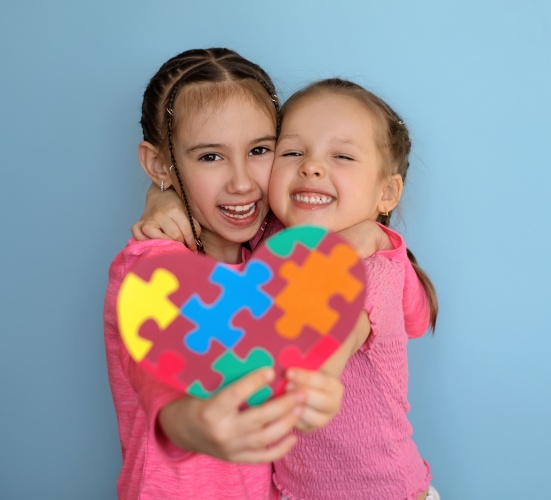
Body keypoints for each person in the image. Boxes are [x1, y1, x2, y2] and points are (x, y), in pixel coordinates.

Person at [135, 77, 440, 500]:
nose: (311, 166)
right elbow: (194, 185)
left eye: (342, 156)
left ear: (386, 192)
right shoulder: (271, 238)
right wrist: (162, 199)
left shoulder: (369, 272)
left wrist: (313, 380)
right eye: (293, 151)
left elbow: (337, 333)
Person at [104, 48, 347, 500]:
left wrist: (374, 232)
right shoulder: (147, 270)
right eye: (210, 157)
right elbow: (160, 383)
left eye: (259, 150)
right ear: (160, 164)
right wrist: (194, 423)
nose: (242, 182)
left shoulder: (268, 249)